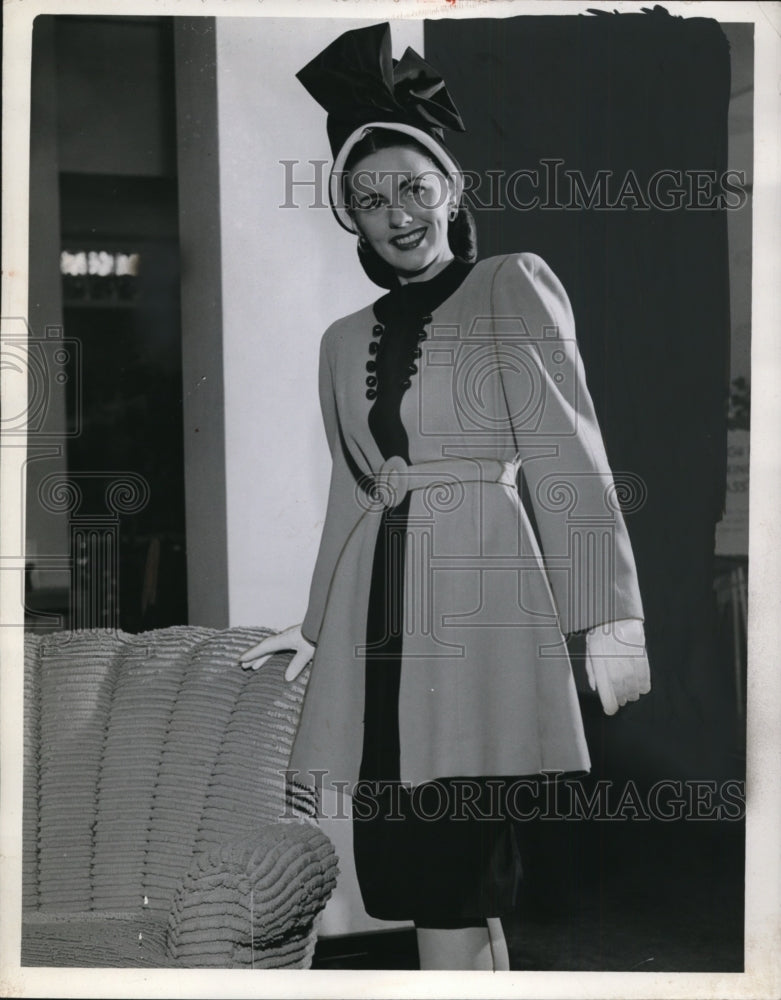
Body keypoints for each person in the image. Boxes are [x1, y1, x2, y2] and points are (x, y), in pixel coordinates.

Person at [240, 22, 651, 972]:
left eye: (413, 188)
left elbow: (569, 461)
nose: (397, 213)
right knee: (411, 866)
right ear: (350, 216)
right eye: (369, 198)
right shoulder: (342, 338)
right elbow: (356, 491)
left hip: (478, 619)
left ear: (450, 190)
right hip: (379, 623)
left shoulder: (511, 286)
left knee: (454, 861)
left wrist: (610, 622)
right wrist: (314, 627)